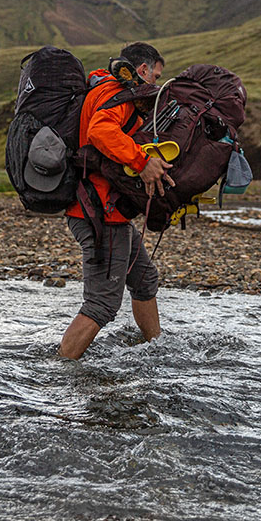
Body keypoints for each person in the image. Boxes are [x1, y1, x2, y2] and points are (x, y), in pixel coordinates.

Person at [58, 42, 173, 359]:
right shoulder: (118, 94)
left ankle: (154, 351)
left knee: (145, 279)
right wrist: (142, 162)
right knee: (101, 304)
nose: (156, 84)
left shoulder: (106, 89)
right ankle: (60, 371)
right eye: (156, 76)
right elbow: (100, 131)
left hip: (105, 212)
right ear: (142, 70)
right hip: (99, 213)